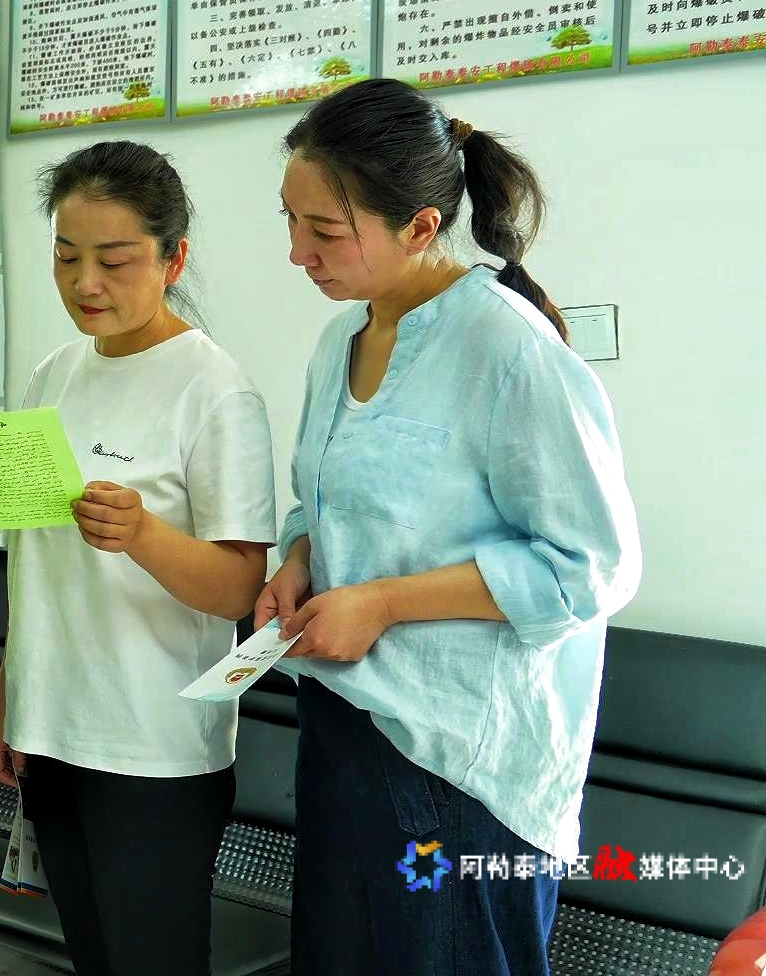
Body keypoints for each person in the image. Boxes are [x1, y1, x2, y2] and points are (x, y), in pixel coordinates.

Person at [261, 78, 641, 974]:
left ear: (421, 226)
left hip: (462, 765)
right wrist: (300, 557)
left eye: (325, 231)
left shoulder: (506, 347)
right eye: (290, 221)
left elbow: (592, 566)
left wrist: (384, 602)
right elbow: (328, 499)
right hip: (347, 727)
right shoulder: (340, 342)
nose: (297, 253)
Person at [0, 141, 277, 975]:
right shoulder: (52, 375)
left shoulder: (213, 389)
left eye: (113, 261)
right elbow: (36, 567)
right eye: (66, 256)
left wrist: (143, 534)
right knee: (93, 958)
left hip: (153, 745)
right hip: (55, 730)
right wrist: (12, 701)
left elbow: (238, 588)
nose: (85, 283)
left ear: (172, 258)